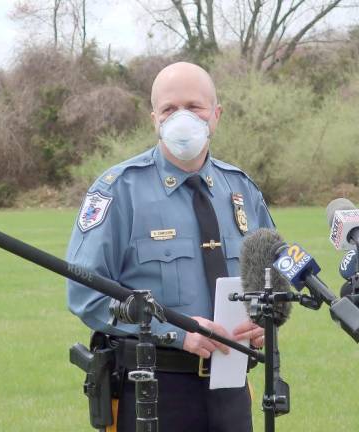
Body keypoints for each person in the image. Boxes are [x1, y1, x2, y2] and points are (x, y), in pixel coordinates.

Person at [66, 62, 275, 432]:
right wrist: (177, 332)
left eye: (194, 107)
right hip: (150, 388)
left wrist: (264, 322)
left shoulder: (241, 190)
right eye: (169, 109)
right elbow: (86, 295)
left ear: (216, 115)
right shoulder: (119, 190)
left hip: (230, 383)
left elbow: (272, 279)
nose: (182, 117)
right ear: (154, 119)